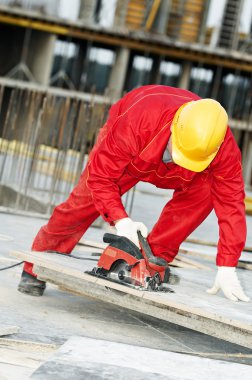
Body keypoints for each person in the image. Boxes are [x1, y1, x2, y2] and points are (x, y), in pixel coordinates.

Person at [18, 85, 249, 302]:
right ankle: (36, 266)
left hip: (186, 170)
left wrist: (227, 264)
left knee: (207, 191)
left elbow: (231, 205)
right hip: (132, 152)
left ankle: (149, 266)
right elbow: (101, 178)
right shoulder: (138, 119)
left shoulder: (222, 148)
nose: (183, 162)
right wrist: (121, 221)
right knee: (83, 202)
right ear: (173, 127)